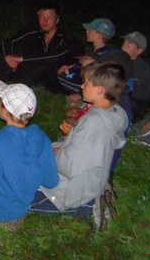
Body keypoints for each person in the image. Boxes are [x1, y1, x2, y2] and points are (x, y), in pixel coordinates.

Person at [29, 62, 128, 232]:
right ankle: (93, 197)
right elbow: (84, 150)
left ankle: (87, 208)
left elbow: (70, 166)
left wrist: (51, 156)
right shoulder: (112, 113)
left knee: (17, 191)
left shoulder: (94, 122)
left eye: (86, 83)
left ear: (100, 90)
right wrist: (61, 146)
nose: (82, 86)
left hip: (68, 191)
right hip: (89, 179)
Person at [0, 81, 59, 246]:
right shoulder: (42, 138)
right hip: (20, 208)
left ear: (5, 110)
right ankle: (11, 222)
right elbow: (51, 181)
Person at [0, 5, 83, 94]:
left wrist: (22, 59)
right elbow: (8, 42)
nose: (45, 21)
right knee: (16, 53)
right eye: (42, 17)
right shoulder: (35, 32)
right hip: (32, 71)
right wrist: (8, 58)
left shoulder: (66, 37)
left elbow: (53, 57)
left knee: (37, 63)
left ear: (57, 20)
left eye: (49, 18)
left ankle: (10, 91)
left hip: (56, 77)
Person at [120, 31, 150, 121]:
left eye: (129, 44)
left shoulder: (143, 69)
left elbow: (147, 95)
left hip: (132, 106)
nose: (125, 45)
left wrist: (129, 89)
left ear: (139, 50)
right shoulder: (118, 59)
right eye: (124, 42)